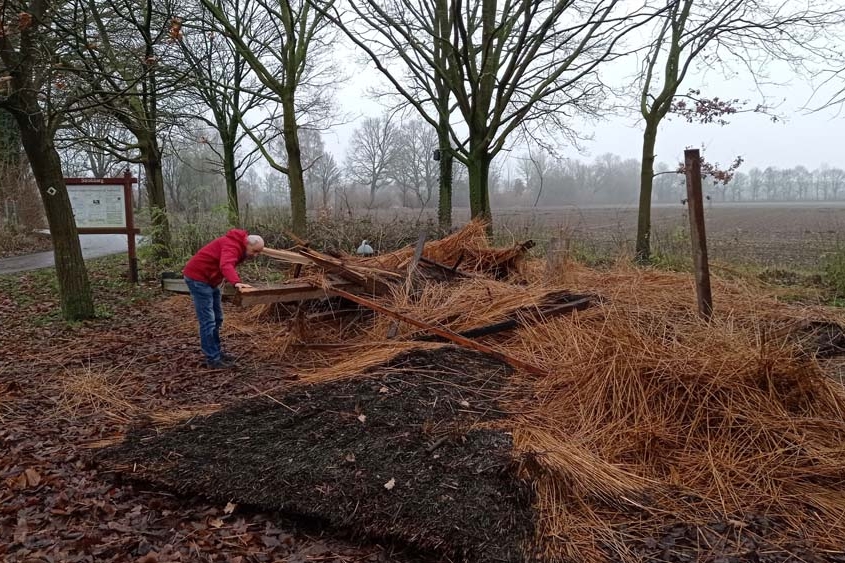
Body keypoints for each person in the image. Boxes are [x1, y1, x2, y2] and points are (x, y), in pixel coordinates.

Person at [183, 229, 265, 368]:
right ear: (247, 244)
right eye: (255, 251)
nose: (256, 255)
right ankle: (212, 359)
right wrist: (236, 282)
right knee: (208, 320)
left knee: (217, 318)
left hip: (210, 280)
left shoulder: (240, 245)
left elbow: (224, 265)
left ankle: (216, 352)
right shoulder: (231, 246)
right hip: (198, 279)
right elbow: (225, 264)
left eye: (258, 252)